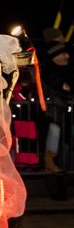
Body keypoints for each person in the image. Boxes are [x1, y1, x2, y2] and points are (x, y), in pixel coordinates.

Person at [43, 33, 72, 173]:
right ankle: (50, 161)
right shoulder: (49, 71)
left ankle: (63, 163)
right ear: (55, 56)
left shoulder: (66, 69)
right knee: (54, 132)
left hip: (62, 108)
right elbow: (56, 83)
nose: (67, 56)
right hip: (53, 109)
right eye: (63, 53)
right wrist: (63, 86)